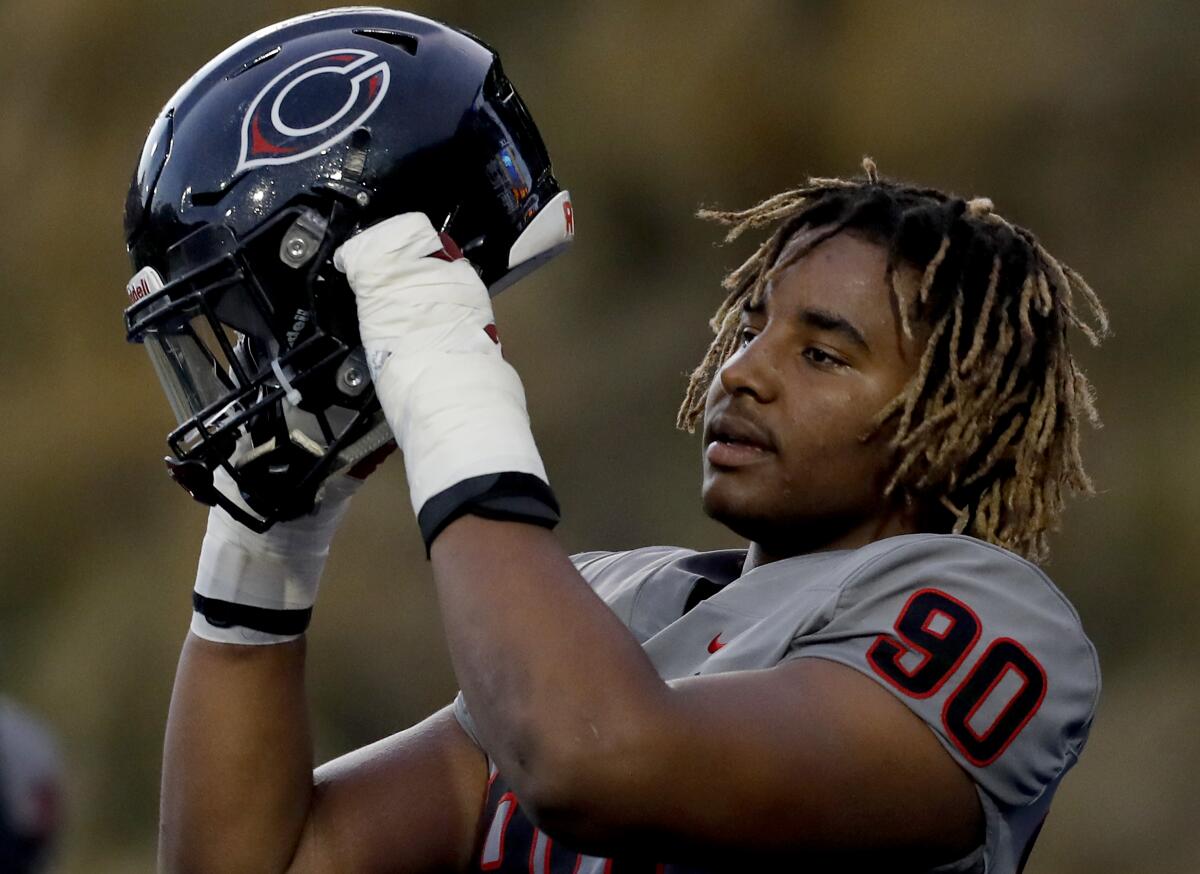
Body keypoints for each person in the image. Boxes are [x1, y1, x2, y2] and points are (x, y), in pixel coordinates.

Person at [131, 12, 1108, 874]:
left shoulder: (994, 622)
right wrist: (265, 549)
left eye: (821, 353)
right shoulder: (616, 602)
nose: (742, 370)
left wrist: (447, 381)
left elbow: (596, 756)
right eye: (749, 326)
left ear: (952, 423)